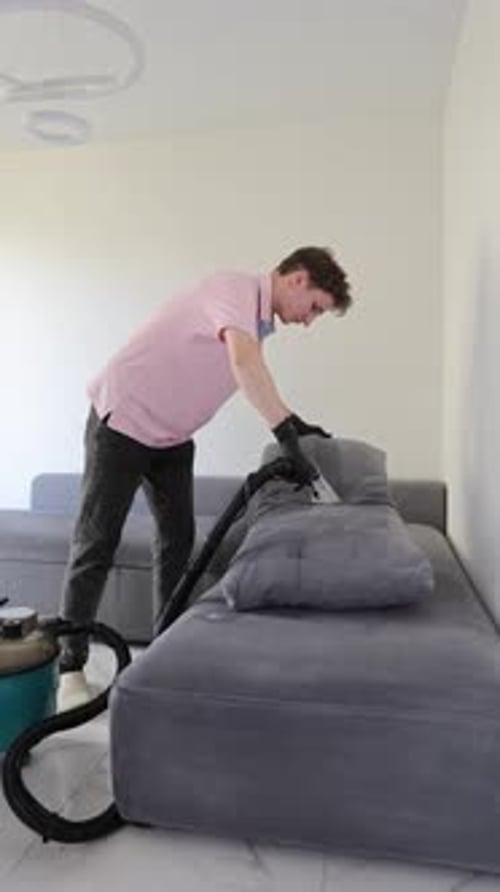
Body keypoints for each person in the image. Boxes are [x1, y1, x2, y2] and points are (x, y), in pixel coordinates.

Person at [58, 246, 352, 709]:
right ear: (297, 279)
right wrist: (284, 434)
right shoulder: (232, 290)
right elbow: (244, 364)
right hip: (124, 421)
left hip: (172, 438)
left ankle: (165, 652)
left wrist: (293, 422)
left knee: (179, 541)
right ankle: (69, 666)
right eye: (314, 307)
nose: (309, 321)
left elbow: (253, 367)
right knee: (97, 541)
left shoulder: (255, 324)